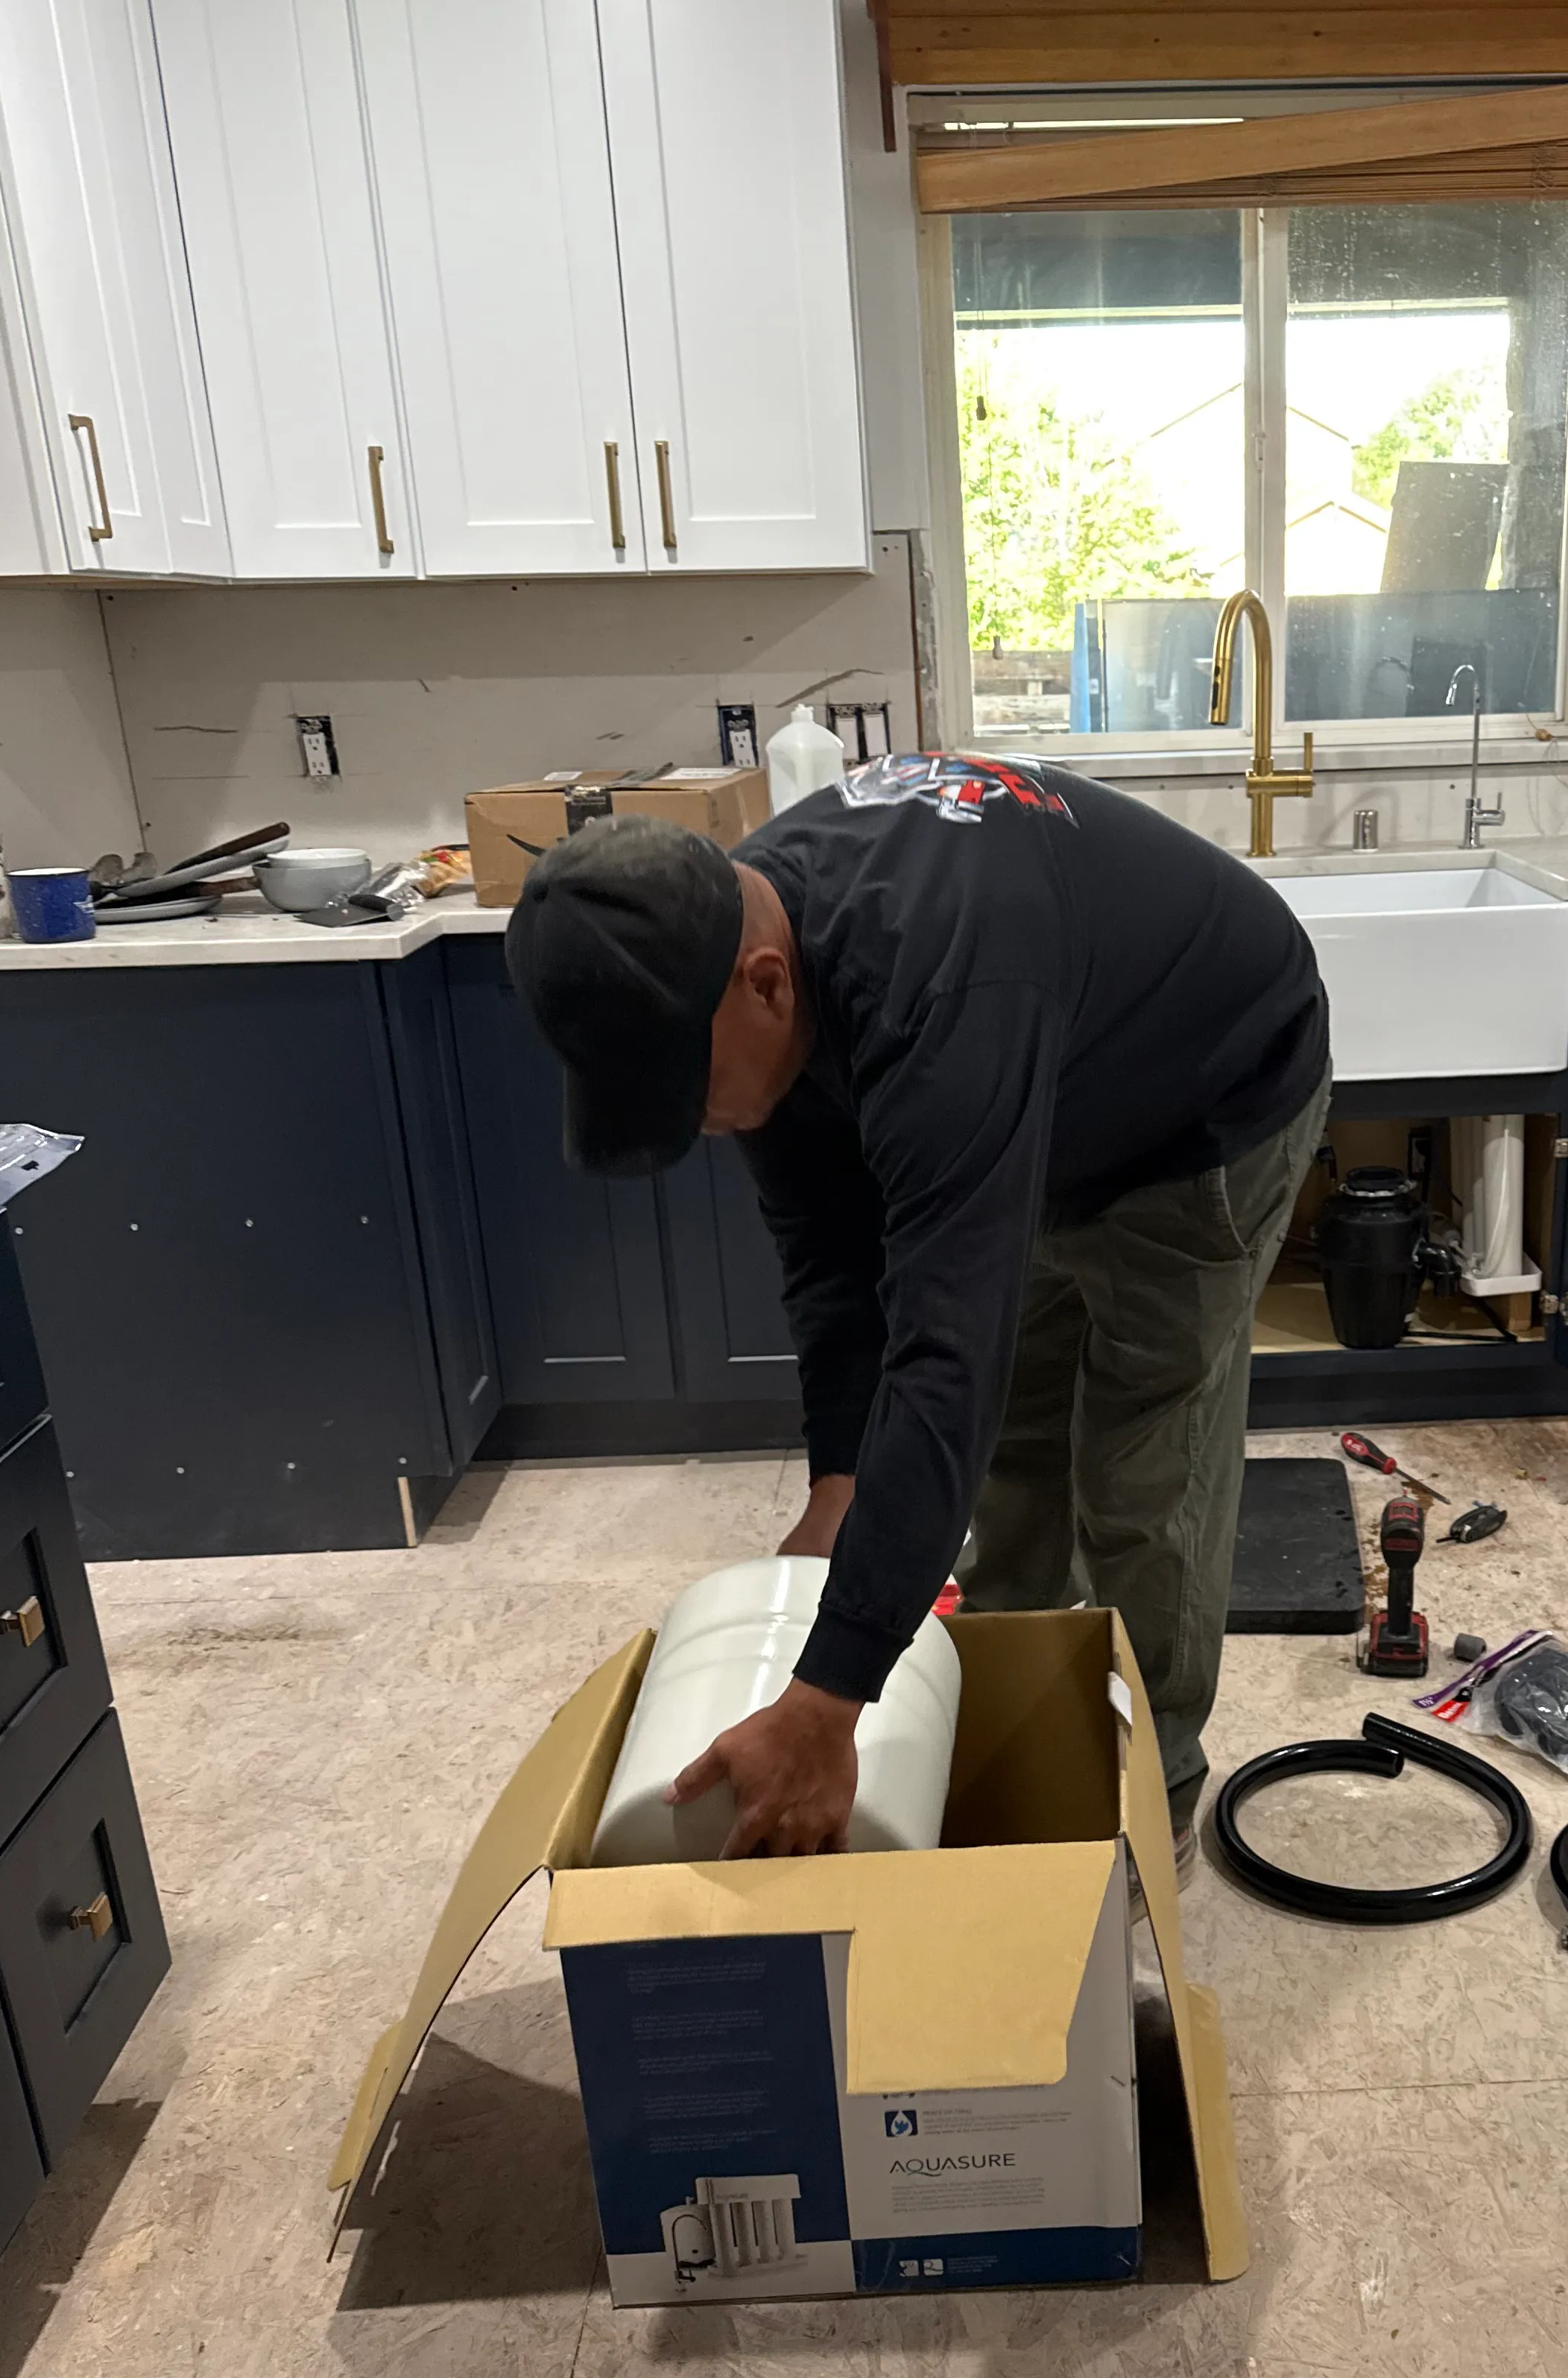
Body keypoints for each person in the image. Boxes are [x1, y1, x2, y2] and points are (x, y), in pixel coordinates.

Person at [503, 750, 1330, 1864]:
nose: (699, 1125)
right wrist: (841, 1482)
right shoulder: (727, 943)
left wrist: (827, 1698)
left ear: (765, 984)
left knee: (1142, 1472)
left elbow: (946, 1361)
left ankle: (1151, 1806)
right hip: (1046, 1094)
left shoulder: (937, 988)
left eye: (691, 1093)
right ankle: (1003, 1737)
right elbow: (832, 1266)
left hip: (1207, 1100)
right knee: (1017, 1453)